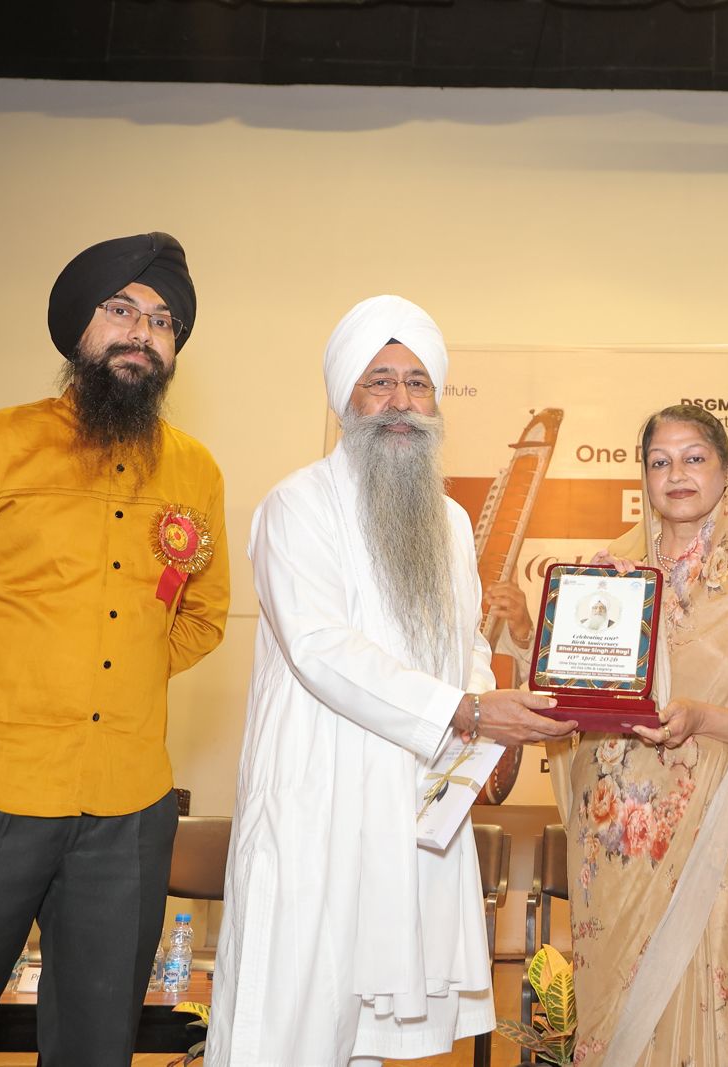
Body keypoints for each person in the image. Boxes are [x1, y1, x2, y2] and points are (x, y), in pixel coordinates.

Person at [0, 232, 228, 1067]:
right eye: (120, 311)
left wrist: (122, 676)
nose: (141, 333)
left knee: (99, 1042)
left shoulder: (195, 469)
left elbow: (204, 614)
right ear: (79, 328)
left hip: (126, 808)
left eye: (163, 320)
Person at [206, 296, 576, 1067]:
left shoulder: (445, 520)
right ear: (346, 399)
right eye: (381, 381)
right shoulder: (296, 505)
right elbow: (319, 647)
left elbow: (463, 637)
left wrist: (485, 712)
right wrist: (467, 710)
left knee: (369, 1040)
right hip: (318, 803)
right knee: (288, 1026)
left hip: (410, 807)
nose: (401, 401)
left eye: (418, 383)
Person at [551, 403, 728, 1067]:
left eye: (694, 457)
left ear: (727, 472)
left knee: (717, 1018)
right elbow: (570, 699)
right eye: (659, 460)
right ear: (642, 475)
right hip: (620, 840)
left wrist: (704, 718)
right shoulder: (605, 577)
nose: (677, 473)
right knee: (620, 1014)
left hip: (721, 836)